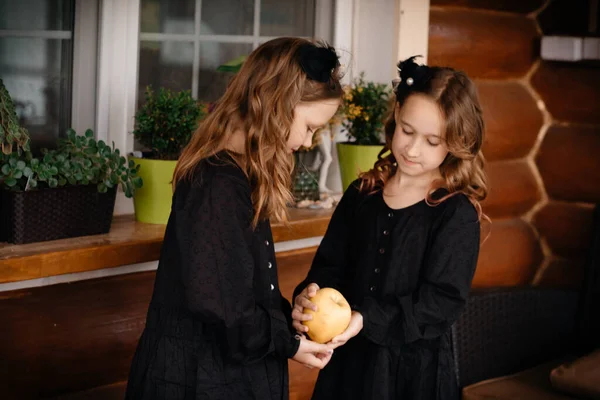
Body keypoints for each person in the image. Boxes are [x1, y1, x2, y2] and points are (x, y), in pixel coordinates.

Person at [125, 37, 344, 400]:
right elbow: (226, 309)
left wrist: (289, 319)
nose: (308, 142)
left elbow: (241, 288)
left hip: (227, 372)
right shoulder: (216, 185)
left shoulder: (241, 176)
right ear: (277, 104)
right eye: (309, 126)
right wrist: (289, 345)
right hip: (202, 379)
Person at [292, 56, 489, 400]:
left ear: (456, 142)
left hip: (412, 376)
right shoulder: (362, 194)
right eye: (408, 131)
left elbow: (440, 302)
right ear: (396, 116)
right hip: (348, 368)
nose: (412, 149)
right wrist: (309, 295)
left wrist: (364, 318)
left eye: (432, 141)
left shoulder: (455, 213)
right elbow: (329, 268)